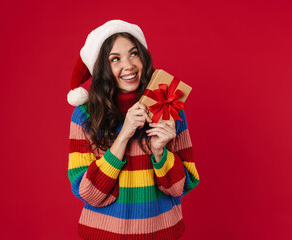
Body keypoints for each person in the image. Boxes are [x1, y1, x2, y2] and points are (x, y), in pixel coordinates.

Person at [67, 20, 200, 240]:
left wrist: (160, 152)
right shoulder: (84, 116)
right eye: (115, 59)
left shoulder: (168, 104)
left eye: (133, 53)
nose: (128, 65)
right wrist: (124, 135)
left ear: (143, 58)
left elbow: (181, 187)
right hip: (104, 235)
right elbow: (88, 193)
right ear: (102, 68)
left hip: (161, 233)